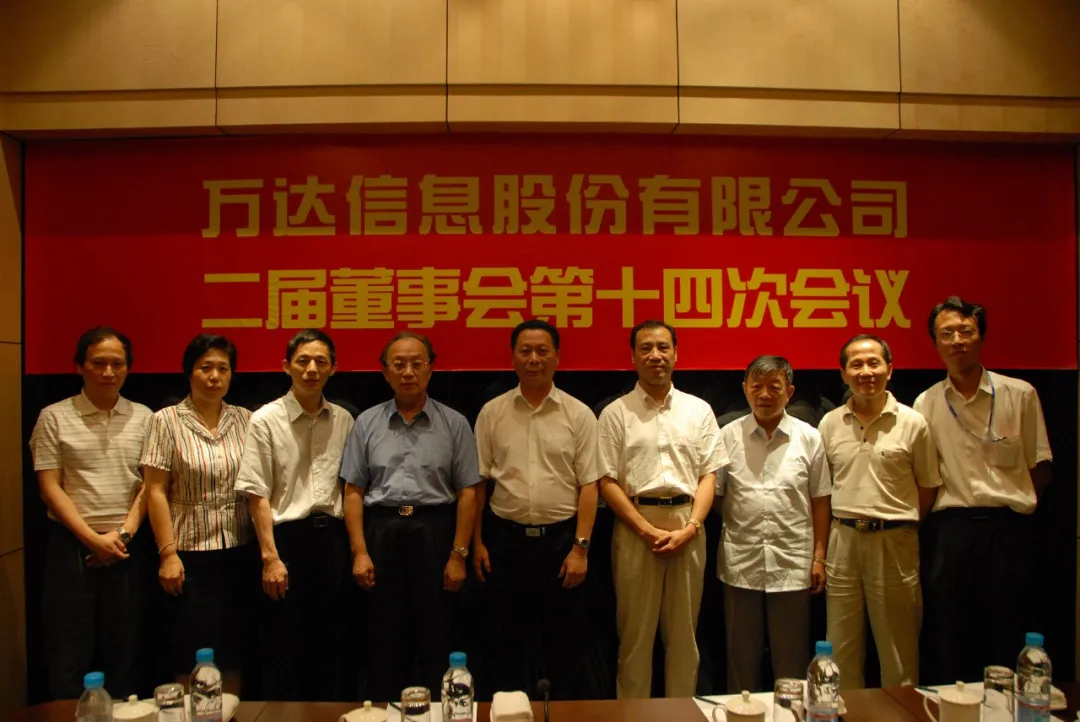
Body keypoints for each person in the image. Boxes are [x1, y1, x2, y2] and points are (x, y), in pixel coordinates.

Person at [915, 297, 1053, 684]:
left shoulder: (1019, 394)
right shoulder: (926, 402)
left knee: (1009, 625)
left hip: (1007, 529)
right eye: (947, 333)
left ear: (981, 337)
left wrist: (1014, 509)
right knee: (950, 629)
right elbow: (925, 476)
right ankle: (954, 702)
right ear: (935, 342)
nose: (957, 341)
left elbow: (1040, 466)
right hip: (951, 531)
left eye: (966, 331)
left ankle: (1009, 706)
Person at [341, 331, 481, 701]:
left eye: (417, 364)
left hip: (435, 532)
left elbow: (468, 492)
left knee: (437, 634)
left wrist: (459, 554)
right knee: (384, 636)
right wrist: (359, 552)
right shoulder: (366, 422)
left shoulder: (454, 423)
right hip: (382, 532)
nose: (408, 372)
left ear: (431, 369)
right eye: (399, 364)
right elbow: (353, 491)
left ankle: (439, 712)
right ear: (384, 372)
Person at [597, 320, 726, 698]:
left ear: (676, 354)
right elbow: (606, 481)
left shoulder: (698, 410)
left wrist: (692, 527)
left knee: (685, 636)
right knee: (634, 638)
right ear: (633, 357)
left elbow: (709, 475)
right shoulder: (615, 413)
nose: (655, 355)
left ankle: (683, 712)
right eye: (646, 348)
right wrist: (645, 529)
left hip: (688, 524)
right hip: (635, 526)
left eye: (663, 347)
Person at [473, 319, 601, 700]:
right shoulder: (492, 412)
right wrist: (477, 543)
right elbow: (478, 484)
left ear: (557, 357)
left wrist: (581, 549)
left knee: (566, 645)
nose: (534, 359)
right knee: (502, 643)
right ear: (513, 357)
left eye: (542, 351)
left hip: (561, 542)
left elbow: (589, 485)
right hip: (505, 542)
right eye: (525, 351)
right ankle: (507, 713)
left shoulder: (578, 414)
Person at [29, 327, 153, 700]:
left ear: (128, 368)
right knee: (68, 653)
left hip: (126, 546)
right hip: (72, 546)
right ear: (80, 366)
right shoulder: (54, 416)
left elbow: (150, 485)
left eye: (117, 364)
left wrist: (123, 535)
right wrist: (92, 540)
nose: (108, 372)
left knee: (125, 653)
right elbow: (49, 486)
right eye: (98, 363)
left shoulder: (144, 417)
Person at [234, 329, 355, 701]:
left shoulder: (344, 419)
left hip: (333, 541)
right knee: (284, 645)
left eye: (321, 361)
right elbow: (256, 493)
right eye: (303, 361)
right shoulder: (265, 420)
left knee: (334, 643)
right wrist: (270, 558)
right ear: (286, 366)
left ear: (334, 368)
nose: (312, 369)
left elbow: (352, 489)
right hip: (286, 542)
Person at [817, 334, 941, 689]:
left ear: (890, 369)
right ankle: (842, 710)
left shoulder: (913, 422)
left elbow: (928, 486)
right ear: (843, 374)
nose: (865, 372)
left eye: (874, 363)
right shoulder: (829, 424)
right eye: (856, 365)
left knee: (897, 646)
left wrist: (899, 524)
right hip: (843, 541)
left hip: (894, 540)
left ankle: (902, 711)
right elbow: (824, 489)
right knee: (840, 645)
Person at [141, 334, 254, 690]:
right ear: (189, 372)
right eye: (206, 368)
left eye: (223, 368)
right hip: (187, 554)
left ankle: (233, 711)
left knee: (234, 648)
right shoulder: (165, 420)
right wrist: (167, 554)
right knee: (188, 648)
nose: (215, 376)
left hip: (239, 549)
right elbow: (155, 490)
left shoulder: (246, 419)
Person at [715, 355, 831, 693]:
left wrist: (819, 557)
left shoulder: (809, 437)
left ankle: (790, 714)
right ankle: (742, 713)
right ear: (745, 390)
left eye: (774, 387)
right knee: (740, 660)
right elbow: (717, 496)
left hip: (792, 562)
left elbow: (820, 500)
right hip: (741, 562)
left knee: (791, 662)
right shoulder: (727, 436)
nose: (765, 394)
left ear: (789, 391)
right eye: (757, 387)